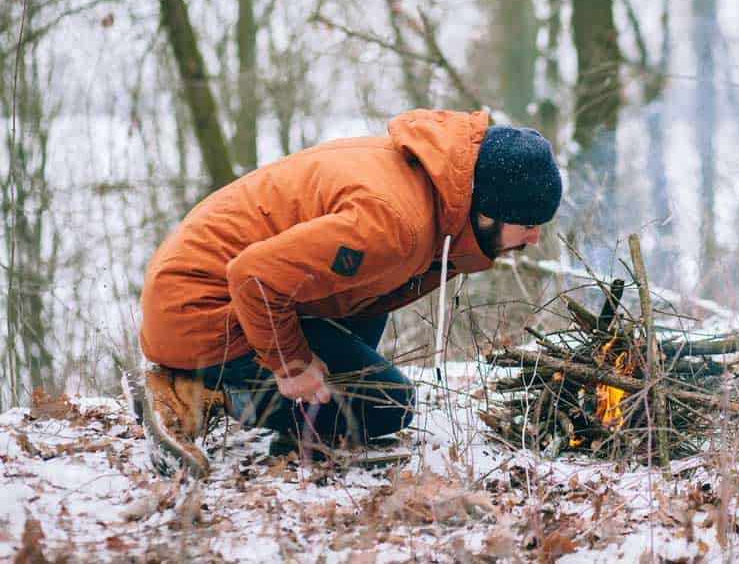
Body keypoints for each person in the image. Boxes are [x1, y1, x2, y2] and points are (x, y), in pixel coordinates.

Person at [131, 109, 562, 477]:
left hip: (210, 290)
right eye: (527, 224)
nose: (535, 238)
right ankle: (198, 388)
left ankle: (296, 419)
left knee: (373, 293)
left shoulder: (429, 183)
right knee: (388, 405)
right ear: (487, 210)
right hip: (198, 308)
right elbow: (253, 277)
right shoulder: (397, 225)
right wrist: (292, 365)